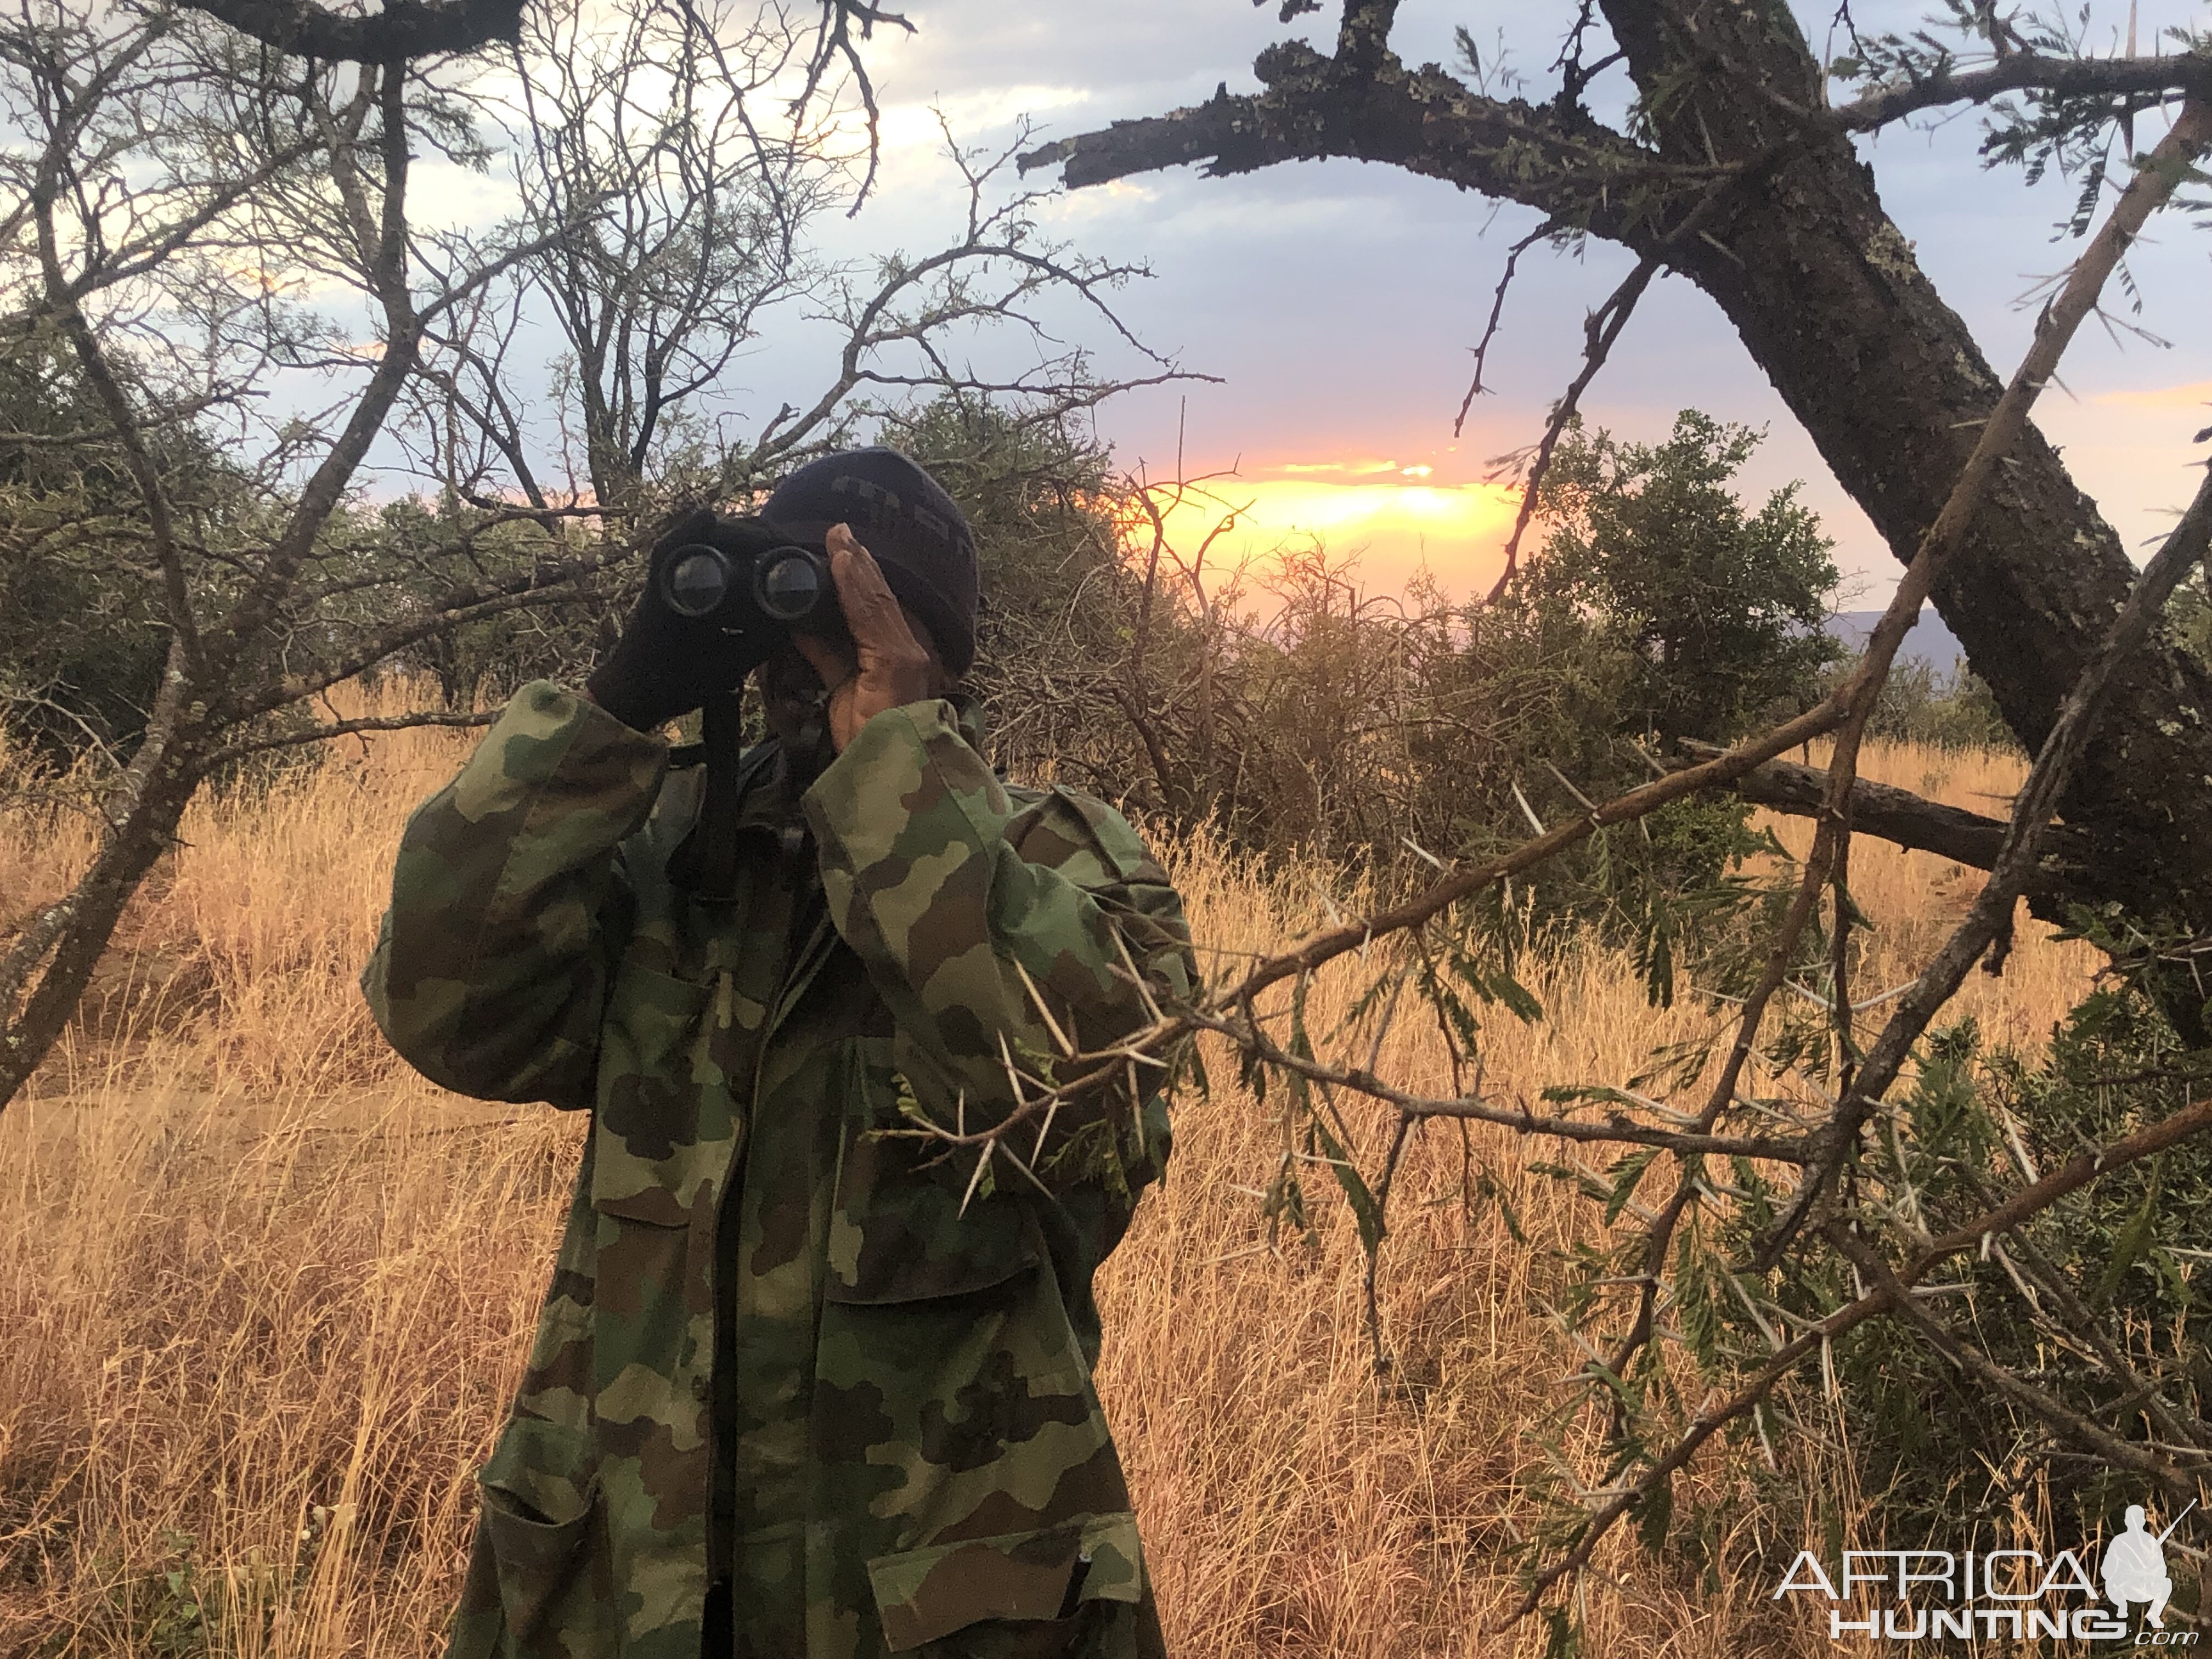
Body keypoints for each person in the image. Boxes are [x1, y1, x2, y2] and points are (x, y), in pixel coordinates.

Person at [363, 448, 1193, 1659]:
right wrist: (615, 710)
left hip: (925, 1598)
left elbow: (1082, 1106)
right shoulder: (669, 843)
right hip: (627, 1578)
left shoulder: (1064, 860)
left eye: (858, 619)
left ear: (939, 657)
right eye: (792, 609)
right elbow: (445, 1009)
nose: (810, 665)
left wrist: (898, 766)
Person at [2101, 1504, 2171, 1629]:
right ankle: (2122, 1606)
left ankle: (2154, 1614)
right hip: (2124, 1589)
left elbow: (2162, 1570)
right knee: (2111, 1584)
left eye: (2138, 1520)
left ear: (2144, 1521)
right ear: (2127, 1522)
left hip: (2145, 1588)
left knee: (2167, 1583)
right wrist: (2122, 1573)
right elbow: (2106, 1571)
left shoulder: (2151, 1542)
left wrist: (2149, 1573)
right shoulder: (2119, 1542)